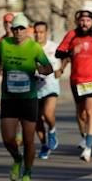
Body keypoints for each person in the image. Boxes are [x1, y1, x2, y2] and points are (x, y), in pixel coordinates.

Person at [0, 16, 54, 181]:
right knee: (8, 138)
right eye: (15, 29)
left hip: (28, 99)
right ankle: (17, 158)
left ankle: (27, 171)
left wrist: (37, 70)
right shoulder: (5, 44)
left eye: (21, 28)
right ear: (11, 30)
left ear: (28, 29)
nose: (18, 32)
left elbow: (48, 68)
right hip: (9, 99)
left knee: (28, 140)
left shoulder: (34, 47)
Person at [57, 8, 92, 163]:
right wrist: (72, 52)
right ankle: (86, 135)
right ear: (77, 22)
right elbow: (59, 53)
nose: (85, 23)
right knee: (81, 114)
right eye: (82, 20)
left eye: (88, 20)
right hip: (76, 80)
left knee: (89, 110)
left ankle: (88, 148)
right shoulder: (71, 35)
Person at [32, 20, 61, 160]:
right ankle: (44, 145)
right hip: (35, 87)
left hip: (50, 85)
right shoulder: (30, 48)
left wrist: (59, 70)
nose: (38, 35)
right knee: (37, 119)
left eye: (41, 32)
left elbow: (59, 64)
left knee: (47, 113)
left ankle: (53, 130)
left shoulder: (53, 47)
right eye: (36, 32)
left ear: (46, 33)